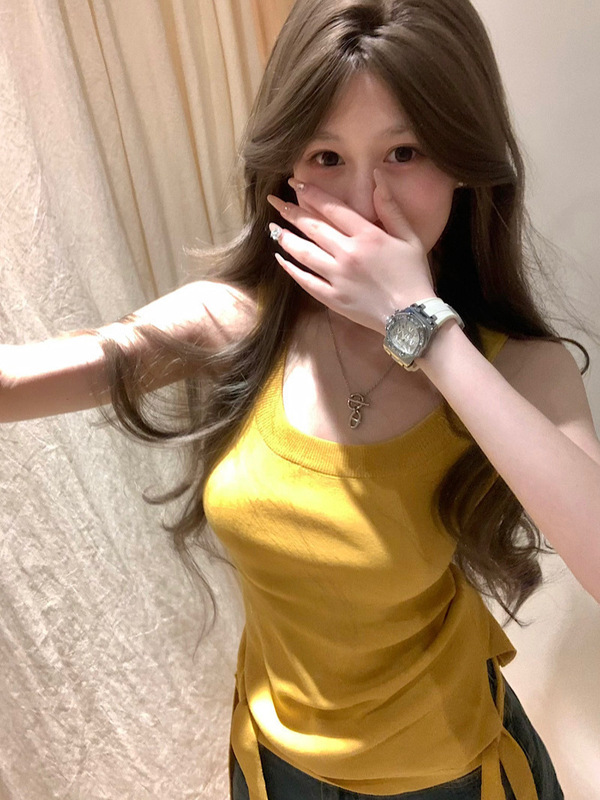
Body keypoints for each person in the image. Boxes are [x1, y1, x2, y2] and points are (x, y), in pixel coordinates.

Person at [1, 0, 599, 798]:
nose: (363, 200)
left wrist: (420, 326)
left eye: (405, 152)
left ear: (463, 158)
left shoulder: (515, 366)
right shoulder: (236, 325)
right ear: (284, 166)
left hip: (450, 770)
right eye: (326, 156)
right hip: (272, 762)